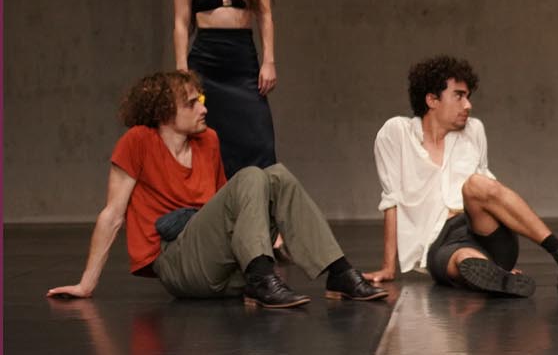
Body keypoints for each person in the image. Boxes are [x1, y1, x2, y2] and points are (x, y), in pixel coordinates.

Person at [46, 70, 387, 307]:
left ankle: (338, 272)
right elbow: (112, 214)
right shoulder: (138, 141)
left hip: (219, 265)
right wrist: (86, 284)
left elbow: (229, 207)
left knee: (276, 175)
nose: (204, 108)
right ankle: (261, 278)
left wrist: (275, 235)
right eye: (191, 103)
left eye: (201, 99)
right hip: (178, 264)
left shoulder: (207, 140)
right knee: (252, 175)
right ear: (164, 113)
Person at [365, 56, 558, 295]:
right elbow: (392, 199)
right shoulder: (397, 133)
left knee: (476, 184)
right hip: (440, 244)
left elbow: (491, 192)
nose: (468, 105)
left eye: (468, 97)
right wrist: (388, 267)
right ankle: (495, 274)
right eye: (459, 96)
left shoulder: (474, 130)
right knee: (464, 260)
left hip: (483, 228)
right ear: (432, 100)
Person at [172, 0, 277, 179]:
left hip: (243, 61)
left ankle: (262, 200)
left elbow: (265, 15)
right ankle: (218, 201)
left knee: (260, 139)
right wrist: (182, 71)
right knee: (210, 139)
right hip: (206, 63)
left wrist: (269, 61)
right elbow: (181, 23)